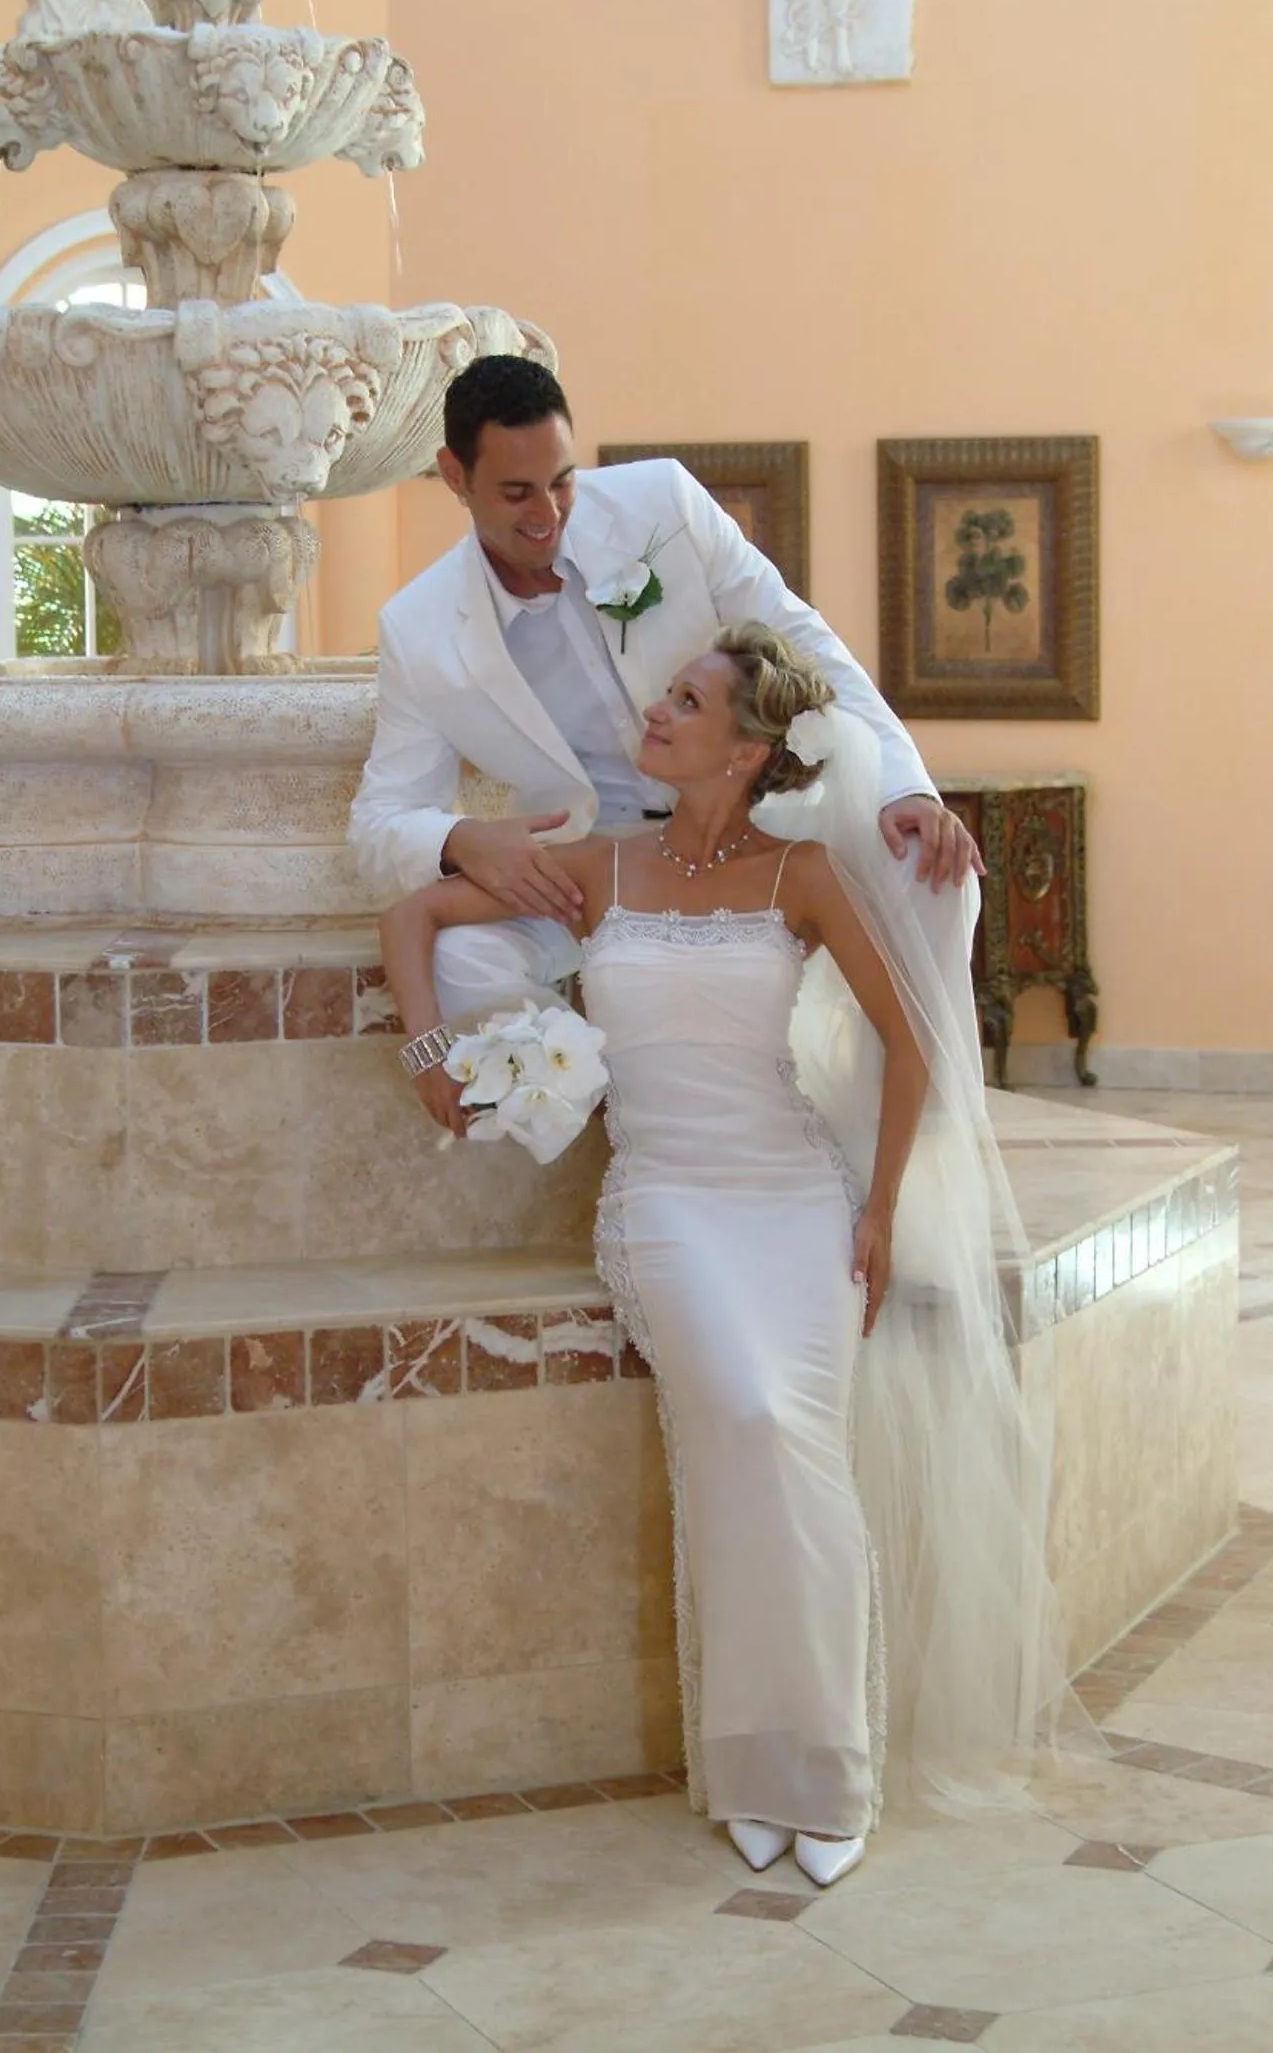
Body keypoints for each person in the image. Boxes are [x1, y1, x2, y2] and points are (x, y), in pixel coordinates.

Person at [379, 624, 1075, 1889]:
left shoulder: (801, 876)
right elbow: (417, 911)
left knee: (800, 1459)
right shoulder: (598, 866)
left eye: (687, 701)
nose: (659, 710)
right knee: (746, 1429)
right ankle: (758, 1764)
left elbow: (914, 1040)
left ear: (748, 749)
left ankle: (829, 1775)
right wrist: (431, 1058)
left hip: (796, 1199)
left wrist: (874, 1208)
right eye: (666, 693)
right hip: (672, 1202)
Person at [347, 352, 982, 1037]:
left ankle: (915, 1121)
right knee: (463, 958)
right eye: (516, 492)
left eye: (562, 481)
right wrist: (460, 839)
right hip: (595, 865)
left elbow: (805, 642)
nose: (547, 512)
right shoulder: (418, 628)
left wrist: (902, 787)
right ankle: (605, 1114)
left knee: (928, 868)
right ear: (454, 476)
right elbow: (380, 818)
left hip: (756, 822)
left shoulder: (665, 503)